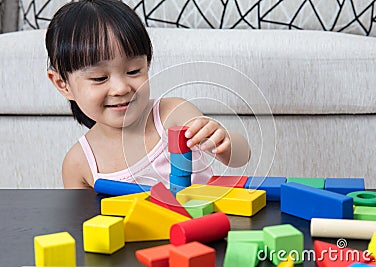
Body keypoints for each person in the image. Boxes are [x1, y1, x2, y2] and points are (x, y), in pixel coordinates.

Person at [46, 0, 251, 189]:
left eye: (134, 71)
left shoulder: (173, 113)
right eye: (100, 78)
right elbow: (83, 224)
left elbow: (241, 157)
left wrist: (223, 143)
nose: (121, 89)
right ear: (63, 84)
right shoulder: (78, 163)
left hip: (202, 226)